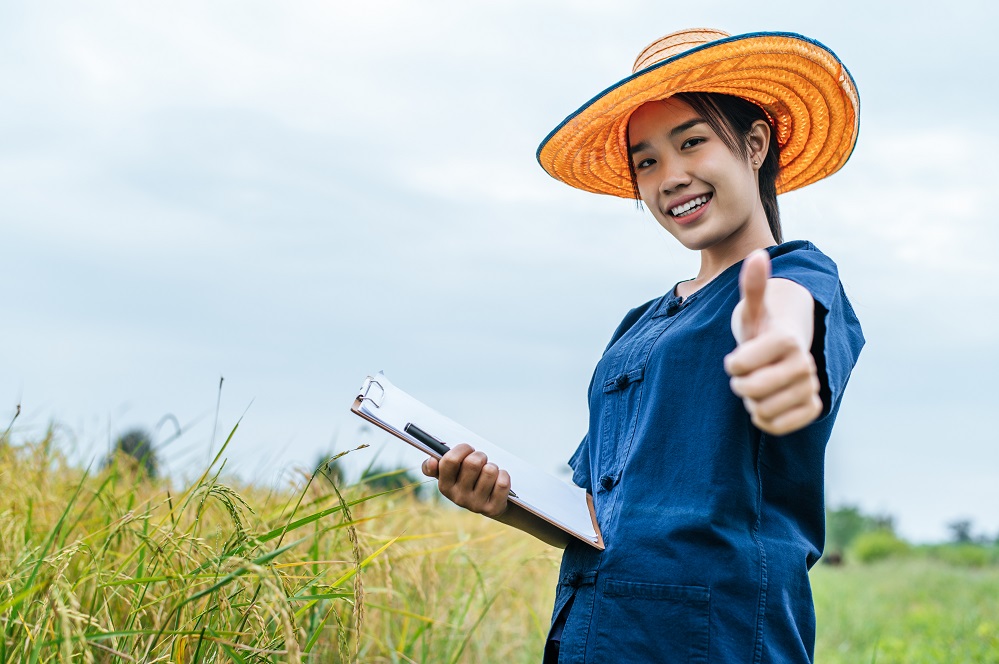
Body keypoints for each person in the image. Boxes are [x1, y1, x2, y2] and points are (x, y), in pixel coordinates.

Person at [421, 28, 864, 662]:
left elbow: (788, 324)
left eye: (692, 143)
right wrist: (499, 497)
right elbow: (595, 514)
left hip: (719, 640)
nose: (670, 177)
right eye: (647, 161)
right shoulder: (638, 326)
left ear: (755, 143)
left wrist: (780, 356)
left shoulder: (795, 275)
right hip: (593, 635)